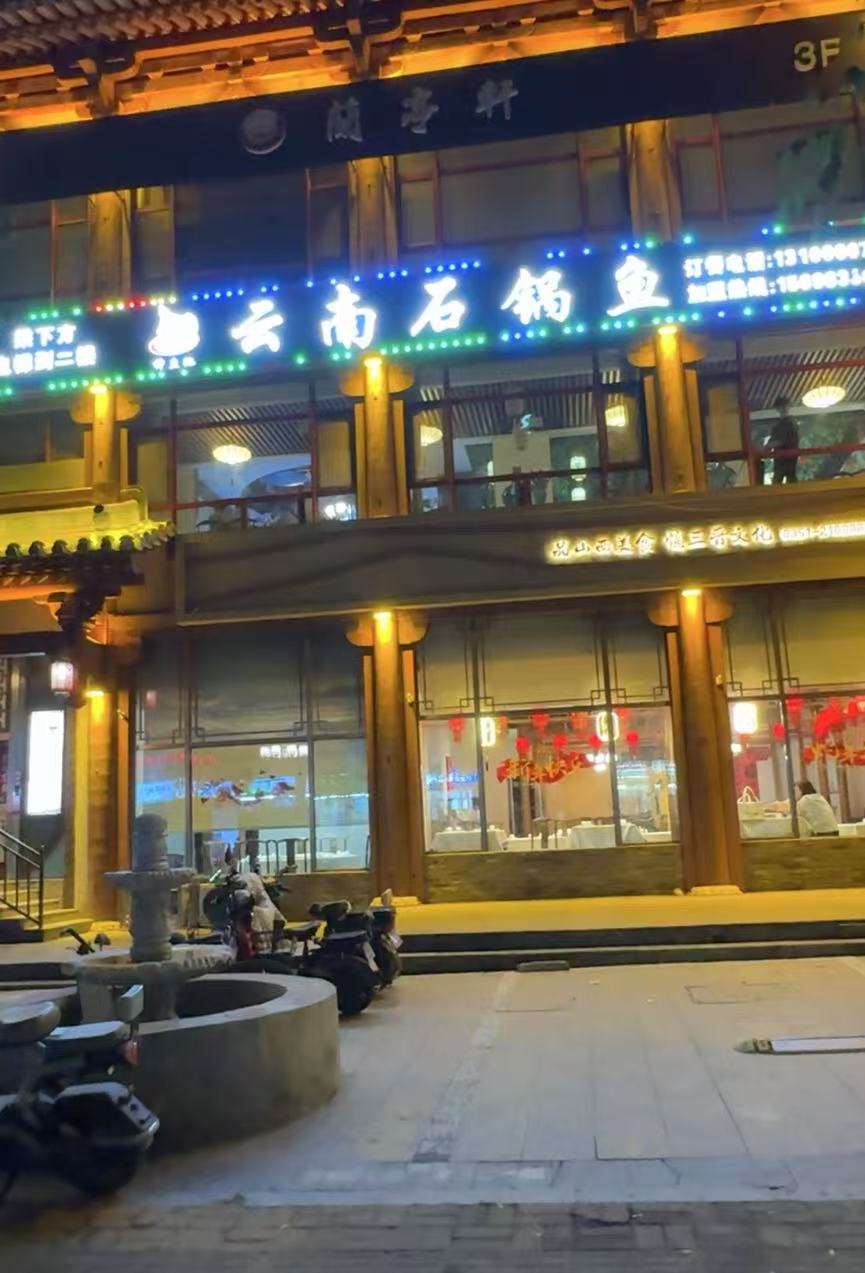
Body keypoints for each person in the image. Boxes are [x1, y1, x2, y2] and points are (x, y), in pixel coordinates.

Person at [768, 395, 799, 484]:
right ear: (778, 408)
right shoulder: (779, 424)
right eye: (781, 406)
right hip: (782, 458)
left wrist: (768, 446)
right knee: (786, 481)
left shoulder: (791, 423)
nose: (784, 408)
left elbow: (781, 441)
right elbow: (775, 439)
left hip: (787, 457)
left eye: (785, 406)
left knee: (784, 481)